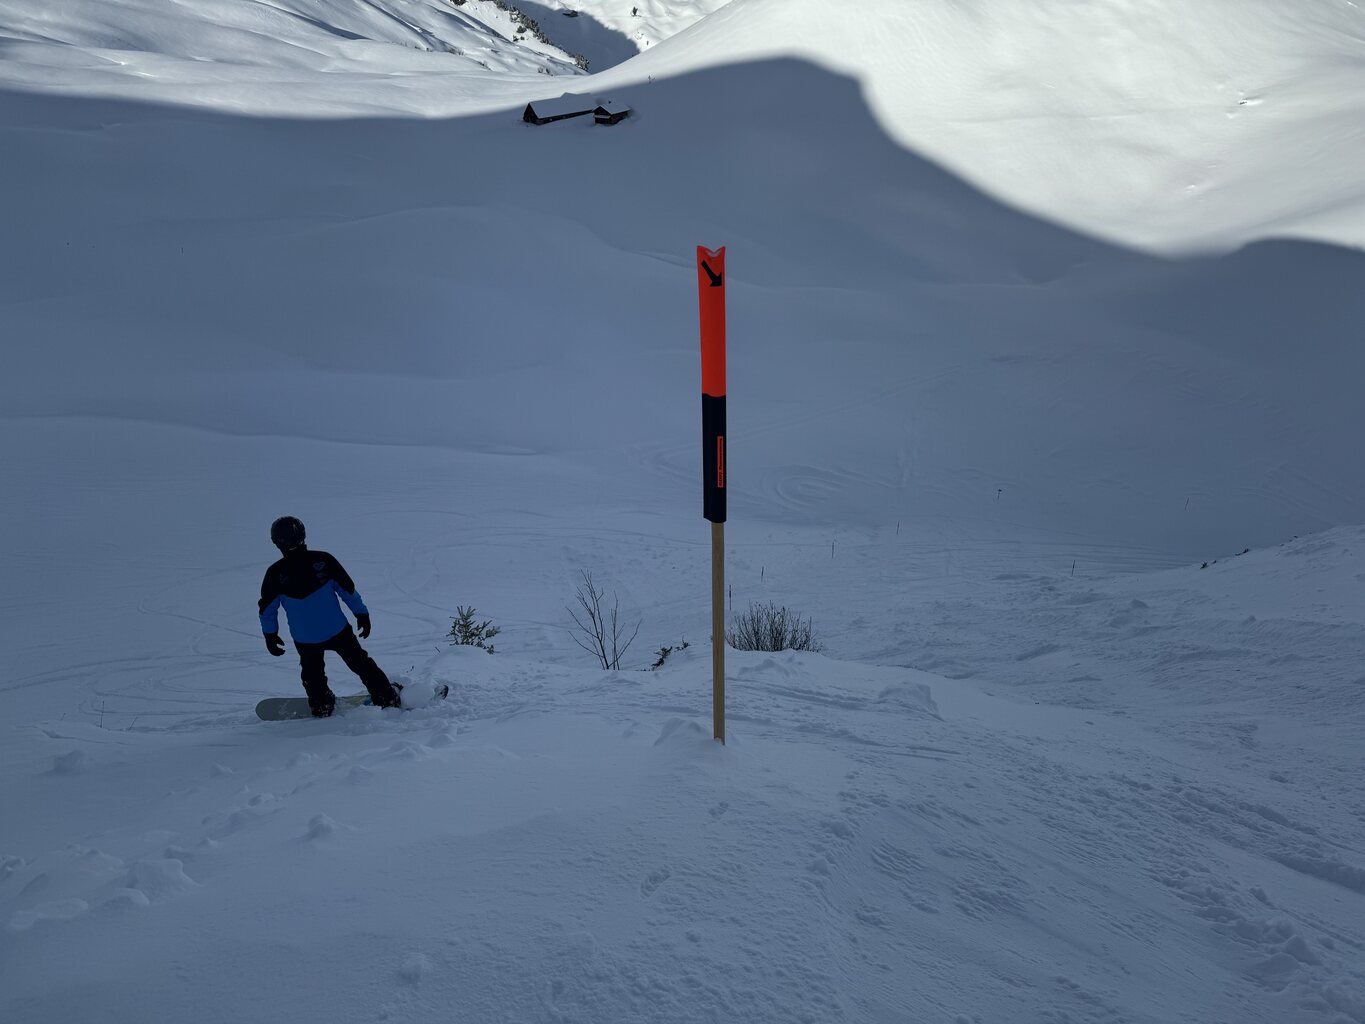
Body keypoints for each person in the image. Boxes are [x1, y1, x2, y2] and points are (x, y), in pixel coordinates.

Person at [258, 516, 401, 717]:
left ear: (276, 543)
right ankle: (386, 696)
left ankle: (321, 704)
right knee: (361, 663)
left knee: (312, 674)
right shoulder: (323, 560)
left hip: (305, 637)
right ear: (303, 536)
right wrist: (361, 613)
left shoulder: (274, 574)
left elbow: (267, 609)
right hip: (337, 629)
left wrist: (270, 635)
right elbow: (347, 590)